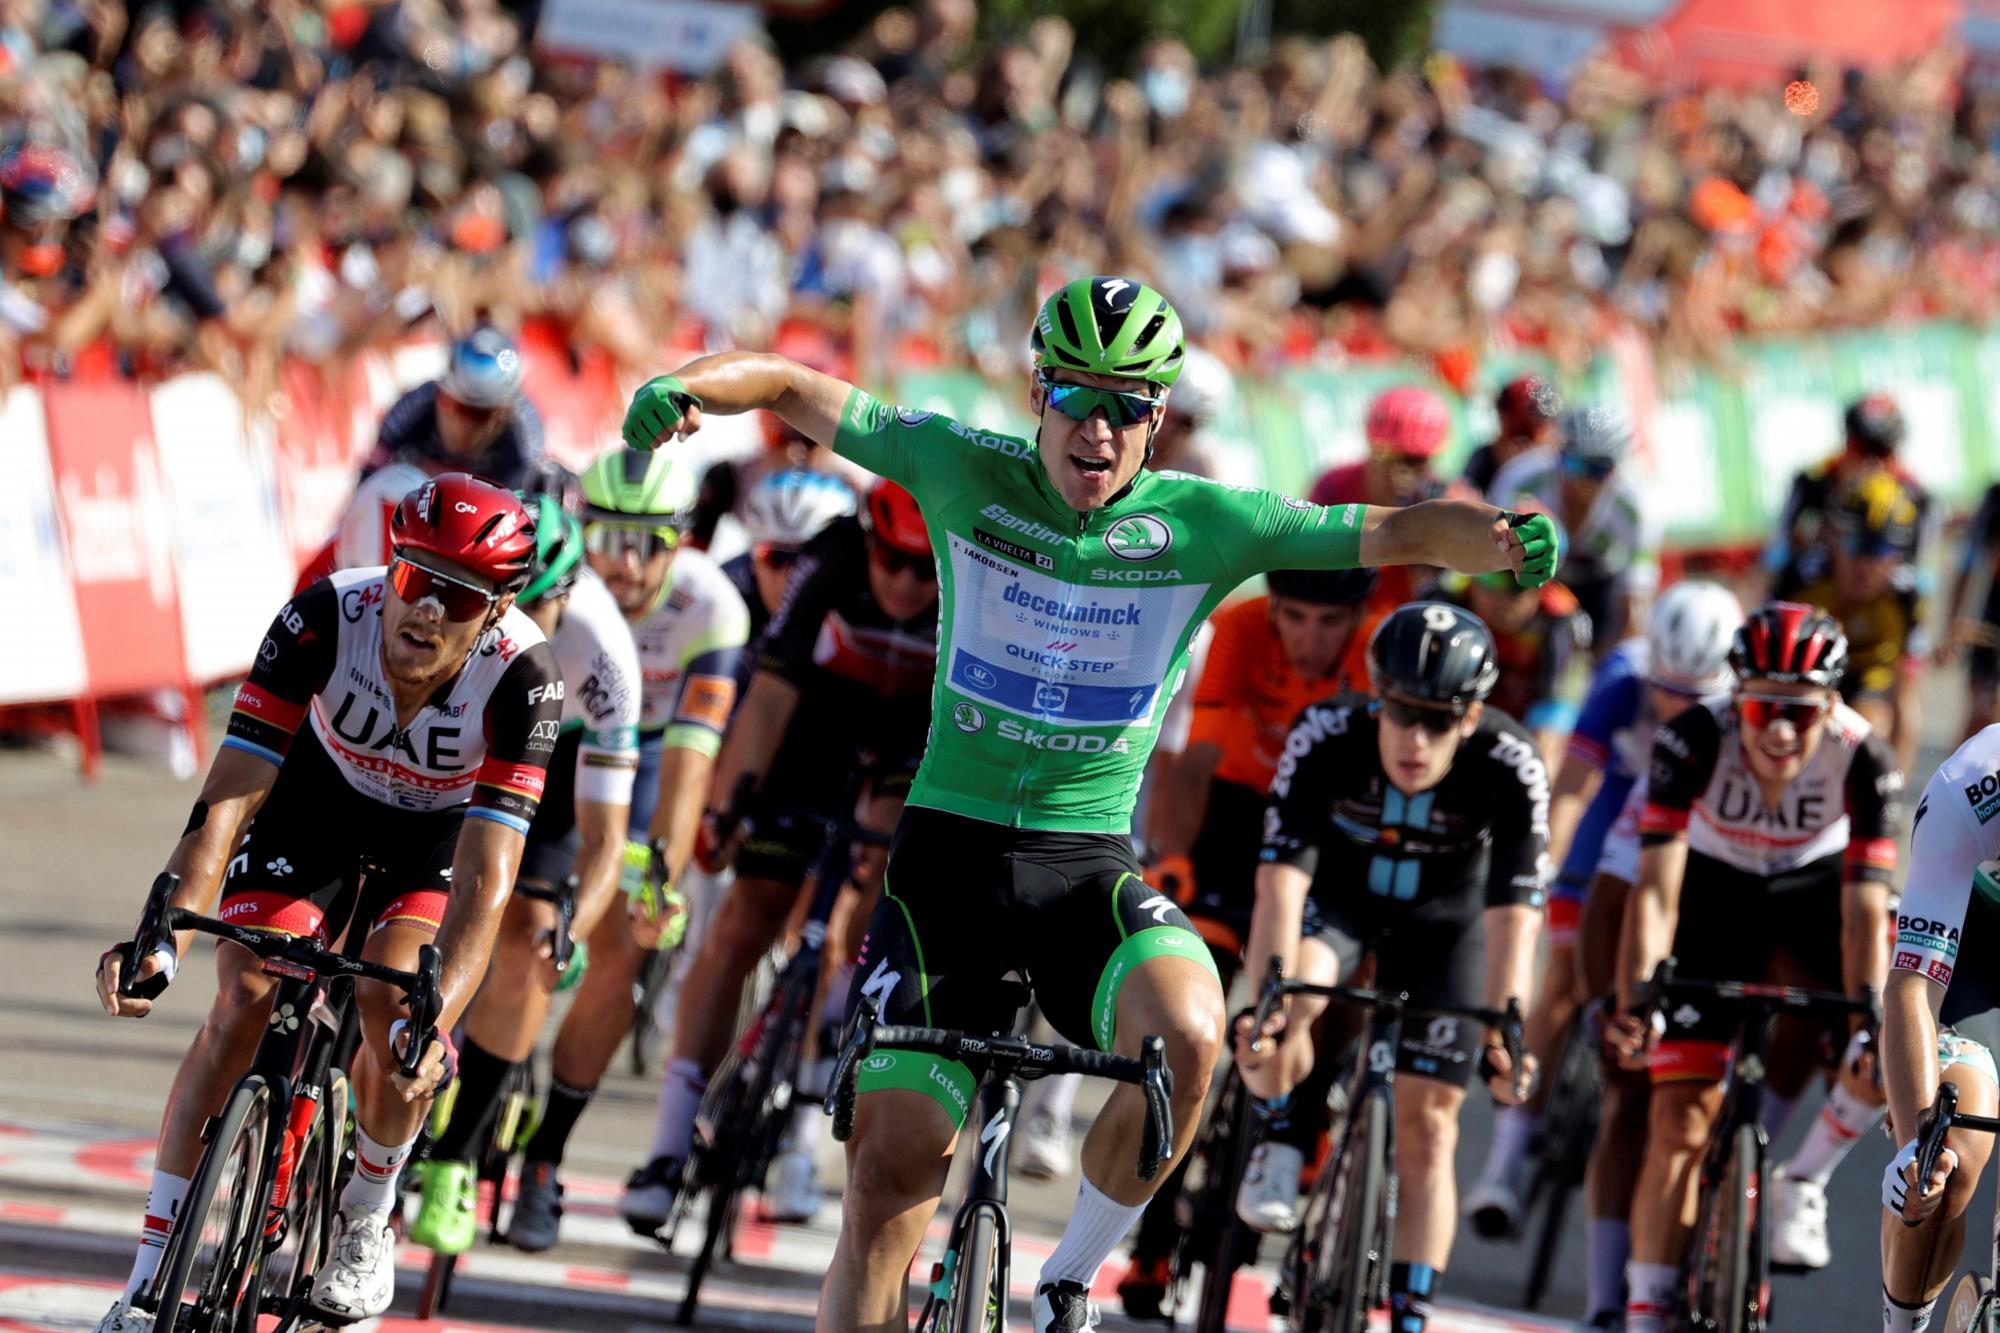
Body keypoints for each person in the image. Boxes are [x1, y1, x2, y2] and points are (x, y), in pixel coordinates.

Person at [619, 275, 1558, 1333]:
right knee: (888, 1178)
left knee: (1193, 1033)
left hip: (1082, 869)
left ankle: (1068, 1277)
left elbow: (1391, 532)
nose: (1099, 428)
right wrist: (685, 385)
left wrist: (1498, 538)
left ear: (1160, 416)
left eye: (1129, 404)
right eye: (1077, 397)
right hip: (945, 868)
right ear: (1037, 392)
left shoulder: (1206, 523)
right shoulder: (959, 467)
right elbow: (792, 384)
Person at [90, 477, 563, 1332]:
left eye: (456, 595)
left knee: (393, 1007)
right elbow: (227, 799)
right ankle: (146, 1280)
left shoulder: (524, 677)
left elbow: (489, 881)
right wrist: (160, 942)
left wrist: (436, 1019)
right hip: (318, 802)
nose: (425, 611)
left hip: (436, 839)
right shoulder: (322, 616)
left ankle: (366, 1217)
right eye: (415, 579)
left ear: (495, 609)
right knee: (242, 992)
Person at [620, 478, 940, 1230]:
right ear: (869, 543)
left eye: (922, 571)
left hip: (909, 741)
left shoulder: (967, 583)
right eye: (890, 562)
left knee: (865, 913)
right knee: (742, 923)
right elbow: (767, 695)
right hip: (814, 727)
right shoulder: (829, 557)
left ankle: (802, 1134)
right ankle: (668, 1145)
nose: (902, 582)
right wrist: (730, 805)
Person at [1230, 601, 1546, 1333]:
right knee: (1293, 1000)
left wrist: (1507, 1027)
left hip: (1448, 923)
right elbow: (1281, 884)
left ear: (1471, 718)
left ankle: (1409, 1307)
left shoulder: (1510, 761)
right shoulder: (1327, 734)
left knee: (1431, 1125)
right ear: (1377, 695)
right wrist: (1272, 997)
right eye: (1402, 712)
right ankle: (1281, 1128)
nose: (1416, 736)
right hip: (1340, 902)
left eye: (1439, 720)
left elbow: (1515, 917)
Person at [1608, 602, 1901, 1333]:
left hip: (1815, 892)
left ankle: (1803, 1178)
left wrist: (1867, 1014)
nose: (1777, 729)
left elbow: (1865, 913)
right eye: (1763, 707)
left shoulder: (1865, 757)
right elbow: (1656, 890)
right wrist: (1639, 995)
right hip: (1716, 891)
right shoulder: (1691, 737)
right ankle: (1644, 1313)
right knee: (1677, 1119)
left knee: (1890, 1041)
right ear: (1735, 695)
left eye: (1798, 715)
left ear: (1831, 705)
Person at [1459, 579, 1741, 1322]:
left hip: (1680, 850)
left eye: (1693, 696)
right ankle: (1508, 1157)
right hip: (1606, 838)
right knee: (1559, 987)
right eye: (1665, 692)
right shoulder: (1620, 679)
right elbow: (1576, 785)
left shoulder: (1737, 710)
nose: (1675, 708)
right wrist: (1543, 861)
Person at [500, 446, 750, 1249]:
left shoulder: (713, 608)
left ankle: (545, 1155)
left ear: (684, 542)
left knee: (624, 942)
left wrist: (662, 877)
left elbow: (689, 768)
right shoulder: (562, 581)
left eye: (651, 543)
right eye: (609, 537)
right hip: (557, 739)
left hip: (648, 760)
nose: (627, 563)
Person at [1114, 564, 1379, 1317]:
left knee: (1332, 984)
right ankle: (1156, 1235)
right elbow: (1193, 760)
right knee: (1187, 1022)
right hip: (1236, 810)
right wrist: (1171, 856)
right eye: (1294, 618)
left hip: (1331, 828)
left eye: (1329, 624)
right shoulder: (1238, 627)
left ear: (1356, 619)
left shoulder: (1374, 646)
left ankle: (1306, 1104)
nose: (1309, 639)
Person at [405, 496, 647, 1255]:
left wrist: (575, 921)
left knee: (529, 940)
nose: (520, 622)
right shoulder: (455, 611)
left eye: (540, 603)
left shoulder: (604, 657)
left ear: (569, 594)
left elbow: (606, 835)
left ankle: (453, 1159)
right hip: (465, 728)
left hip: (557, 757)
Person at [1876, 727, 2000, 1333]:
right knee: (1947, 1155)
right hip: (1974, 955)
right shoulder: (1973, 784)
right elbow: (1912, 988)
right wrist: (1913, 1145)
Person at [1787, 471, 1929, 777]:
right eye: (1854, 545)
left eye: (1879, 551)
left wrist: (1894, 781)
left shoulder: (1907, 597)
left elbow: (1906, 696)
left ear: (1898, 556)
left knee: (1874, 729)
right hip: (1808, 677)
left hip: (1868, 677)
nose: (1865, 565)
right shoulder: (1799, 579)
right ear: (1831, 538)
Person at [1490, 406, 1659, 651]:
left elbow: (1635, 606)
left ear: (1613, 472)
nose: (1579, 482)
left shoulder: (1635, 510)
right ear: (1557, 454)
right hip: (1536, 575)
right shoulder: (1521, 479)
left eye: (1595, 470)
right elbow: (1492, 560)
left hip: (1599, 580)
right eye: (1572, 463)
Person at [1308, 383, 1453, 628]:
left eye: (1417, 461)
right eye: (1392, 457)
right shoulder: (1333, 488)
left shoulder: (1443, 503)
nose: (1403, 473)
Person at [1764, 393, 1931, 597]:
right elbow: (1777, 552)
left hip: (1882, 600)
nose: (1871, 463)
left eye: (1881, 452)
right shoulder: (1813, 482)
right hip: (1823, 588)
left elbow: (1924, 571)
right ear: (1847, 443)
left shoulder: (1916, 495)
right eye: (1862, 449)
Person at [1431, 568, 1588, 762]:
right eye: (1492, 583)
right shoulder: (1446, 599)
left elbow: (1552, 723)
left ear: (1539, 592)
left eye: (1516, 590)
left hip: (1518, 733)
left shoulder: (1559, 623)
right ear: (1473, 583)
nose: (1502, 601)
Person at [361, 327, 546, 491]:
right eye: (461, 407)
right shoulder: (416, 405)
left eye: (481, 415)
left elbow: (531, 505)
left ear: (505, 413)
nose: (468, 425)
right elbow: (367, 480)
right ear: (442, 395)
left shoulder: (524, 436)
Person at [721, 467, 859, 668]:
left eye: (810, 560)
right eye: (774, 557)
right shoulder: (725, 589)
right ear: (753, 558)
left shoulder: (862, 605)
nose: (792, 575)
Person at [1941, 478, 2000, 740]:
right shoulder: (1995, 500)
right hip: (1992, 621)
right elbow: (1967, 566)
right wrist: (1952, 626)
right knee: (1984, 715)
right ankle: (1955, 779)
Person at [1459, 374, 1560, 498]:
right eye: (1520, 437)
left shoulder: (1558, 469)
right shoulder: (1482, 464)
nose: (1524, 449)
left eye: (1529, 439)